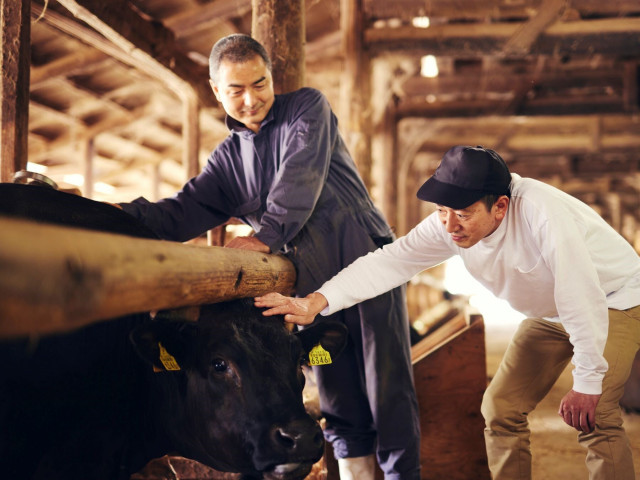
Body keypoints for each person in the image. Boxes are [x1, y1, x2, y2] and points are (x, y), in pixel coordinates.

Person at [115, 34, 421, 480]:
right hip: (313, 285)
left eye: (259, 84)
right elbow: (180, 213)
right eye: (235, 90)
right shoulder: (226, 161)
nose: (250, 98)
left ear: (271, 77)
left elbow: (300, 178)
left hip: (366, 262)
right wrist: (107, 215)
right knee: (337, 396)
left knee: (387, 389)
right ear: (216, 91)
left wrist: (267, 235)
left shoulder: (306, 109)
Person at [256, 145, 640, 480]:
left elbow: (580, 292)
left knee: (596, 413)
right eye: (441, 211)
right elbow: (389, 262)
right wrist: (315, 302)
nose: (450, 225)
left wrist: (587, 381)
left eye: (463, 213)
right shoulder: (449, 223)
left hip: (614, 299)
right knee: (500, 408)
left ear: (501, 207)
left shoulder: (543, 216)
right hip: (552, 312)